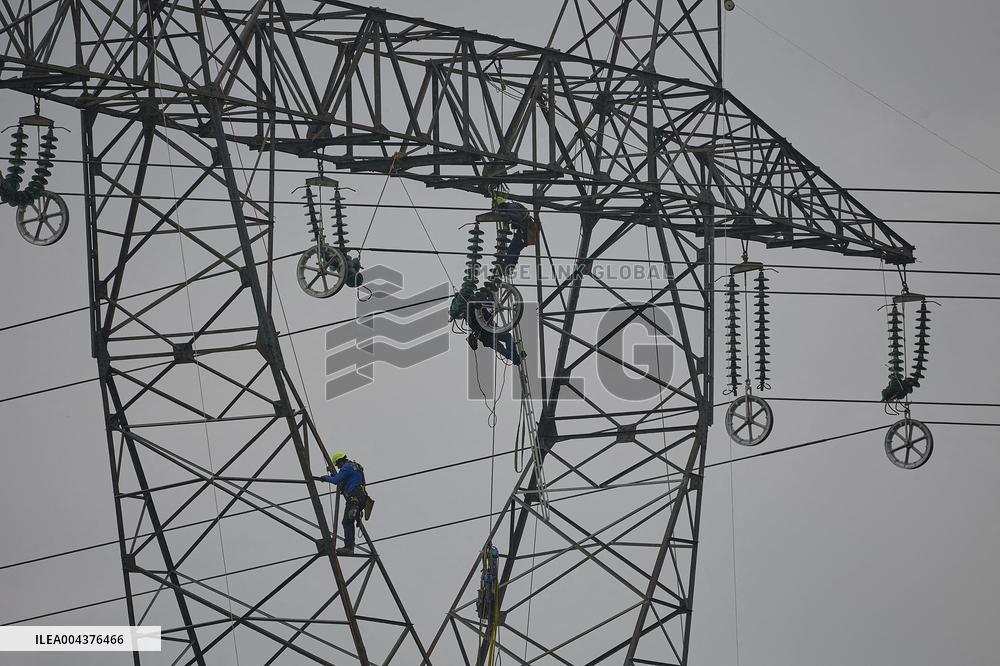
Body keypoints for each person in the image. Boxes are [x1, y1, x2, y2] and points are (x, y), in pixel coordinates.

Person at [317, 452, 369, 556]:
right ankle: (355, 512)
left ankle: (349, 547)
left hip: (353, 497)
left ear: (340, 461)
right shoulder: (356, 466)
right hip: (362, 497)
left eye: (337, 464)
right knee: (350, 520)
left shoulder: (346, 467)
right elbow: (346, 480)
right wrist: (333, 474)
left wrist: (325, 478)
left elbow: (337, 481)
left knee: (346, 522)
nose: (338, 467)